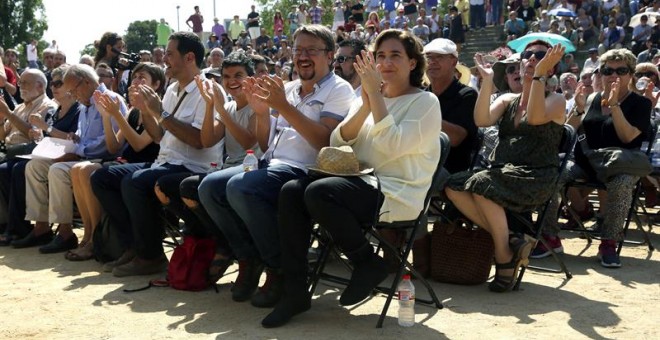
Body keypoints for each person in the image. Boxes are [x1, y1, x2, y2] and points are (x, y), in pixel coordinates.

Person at [261, 28, 442, 328]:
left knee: (319, 193)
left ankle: (365, 261)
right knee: (292, 191)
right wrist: (367, 107)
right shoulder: (369, 98)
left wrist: (373, 97)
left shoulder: (425, 103)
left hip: (397, 192)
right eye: (380, 55)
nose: (386, 62)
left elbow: (391, 146)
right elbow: (337, 142)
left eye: (395, 55)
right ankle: (295, 292)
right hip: (360, 184)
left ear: (412, 63)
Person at [197, 25, 354, 309]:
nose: (303, 56)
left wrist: (282, 105)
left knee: (240, 188)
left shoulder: (340, 90)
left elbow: (323, 141)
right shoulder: (289, 88)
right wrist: (261, 113)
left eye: (311, 50)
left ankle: (279, 268)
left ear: (329, 56)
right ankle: (249, 257)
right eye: (298, 50)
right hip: (272, 163)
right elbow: (265, 144)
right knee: (209, 188)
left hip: (306, 170)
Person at [90, 32, 222, 277]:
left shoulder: (208, 90)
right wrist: (146, 111)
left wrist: (159, 112)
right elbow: (160, 135)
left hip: (193, 165)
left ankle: (150, 256)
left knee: (135, 182)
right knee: (102, 177)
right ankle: (133, 246)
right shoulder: (172, 89)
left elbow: (198, 141)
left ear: (190, 57)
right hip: (166, 162)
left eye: (170, 54)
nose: (165, 59)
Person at [445, 41, 566, 292]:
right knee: (453, 184)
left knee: (481, 183)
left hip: (536, 176)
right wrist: (487, 80)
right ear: (519, 65)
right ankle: (512, 241)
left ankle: (502, 256)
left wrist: (539, 75)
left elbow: (534, 118)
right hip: (502, 172)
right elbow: (480, 120)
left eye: (541, 57)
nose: (533, 59)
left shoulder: (556, 100)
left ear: (551, 68)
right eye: (528, 56)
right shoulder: (508, 99)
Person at [537, 49, 653, 268]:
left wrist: (615, 105)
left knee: (621, 183)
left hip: (621, 165)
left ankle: (609, 242)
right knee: (551, 174)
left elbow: (627, 136)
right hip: (586, 162)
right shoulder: (592, 98)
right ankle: (549, 236)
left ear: (631, 74)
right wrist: (579, 110)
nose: (613, 75)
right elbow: (568, 133)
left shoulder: (640, 104)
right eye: (607, 70)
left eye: (621, 70)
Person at [155, 51, 259, 283]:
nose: (232, 81)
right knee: (171, 187)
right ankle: (218, 238)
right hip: (226, 169)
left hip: (252, 168)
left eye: (239, 75)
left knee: (197, 187)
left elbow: (248, 142)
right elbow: (208, 139)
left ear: (250, 78)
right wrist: (211, 105)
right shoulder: (228, 107)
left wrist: (220, 108)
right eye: (227, 76)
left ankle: (237, 250)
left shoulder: (257, 105)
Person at [13, 64, 126, 252]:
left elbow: (108, 144)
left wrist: (76, 149)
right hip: (81, 156)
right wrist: (74, 139)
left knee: (58, 170)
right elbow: (83, 136)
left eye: (74, 90)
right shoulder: (85, 106)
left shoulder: (110, 100)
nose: (73, 95)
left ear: (88, 82)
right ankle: (41, 226)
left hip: (101, 160)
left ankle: (65, 232)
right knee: (34, 166)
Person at [63, 63, 164, 261]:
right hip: (124, 162)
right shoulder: (133, 111)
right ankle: (89, 234)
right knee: (78, 170)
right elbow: (114, 146)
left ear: (157, 84)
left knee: (87, 171)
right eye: (134, 77)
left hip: (147, 163)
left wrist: (116, 114)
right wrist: (107, 118)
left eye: (143, 78)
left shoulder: (159, 111)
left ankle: (97, 240)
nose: (136, 82)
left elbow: (138, 145)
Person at [0, 65, 79, 246]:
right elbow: (3, 136)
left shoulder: (49, 106)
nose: (21, 86)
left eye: (58, 84)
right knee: (8, 168)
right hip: (30, 153)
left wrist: (9, 114)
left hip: (39, 154)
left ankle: (22, 228)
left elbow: (36, 133)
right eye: (20, 82)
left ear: (39, 87)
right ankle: (9, 225)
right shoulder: (23, 107)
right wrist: (1, 118)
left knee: (16, 169)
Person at [424, 38, 478, 174]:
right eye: (429, 57)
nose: (432, 62)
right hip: (420, 165)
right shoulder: (421, 95)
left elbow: (455, 138)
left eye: (439, 57)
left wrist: (421, 113)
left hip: (449, 172)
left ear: (453, 62)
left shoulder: (467, 95)